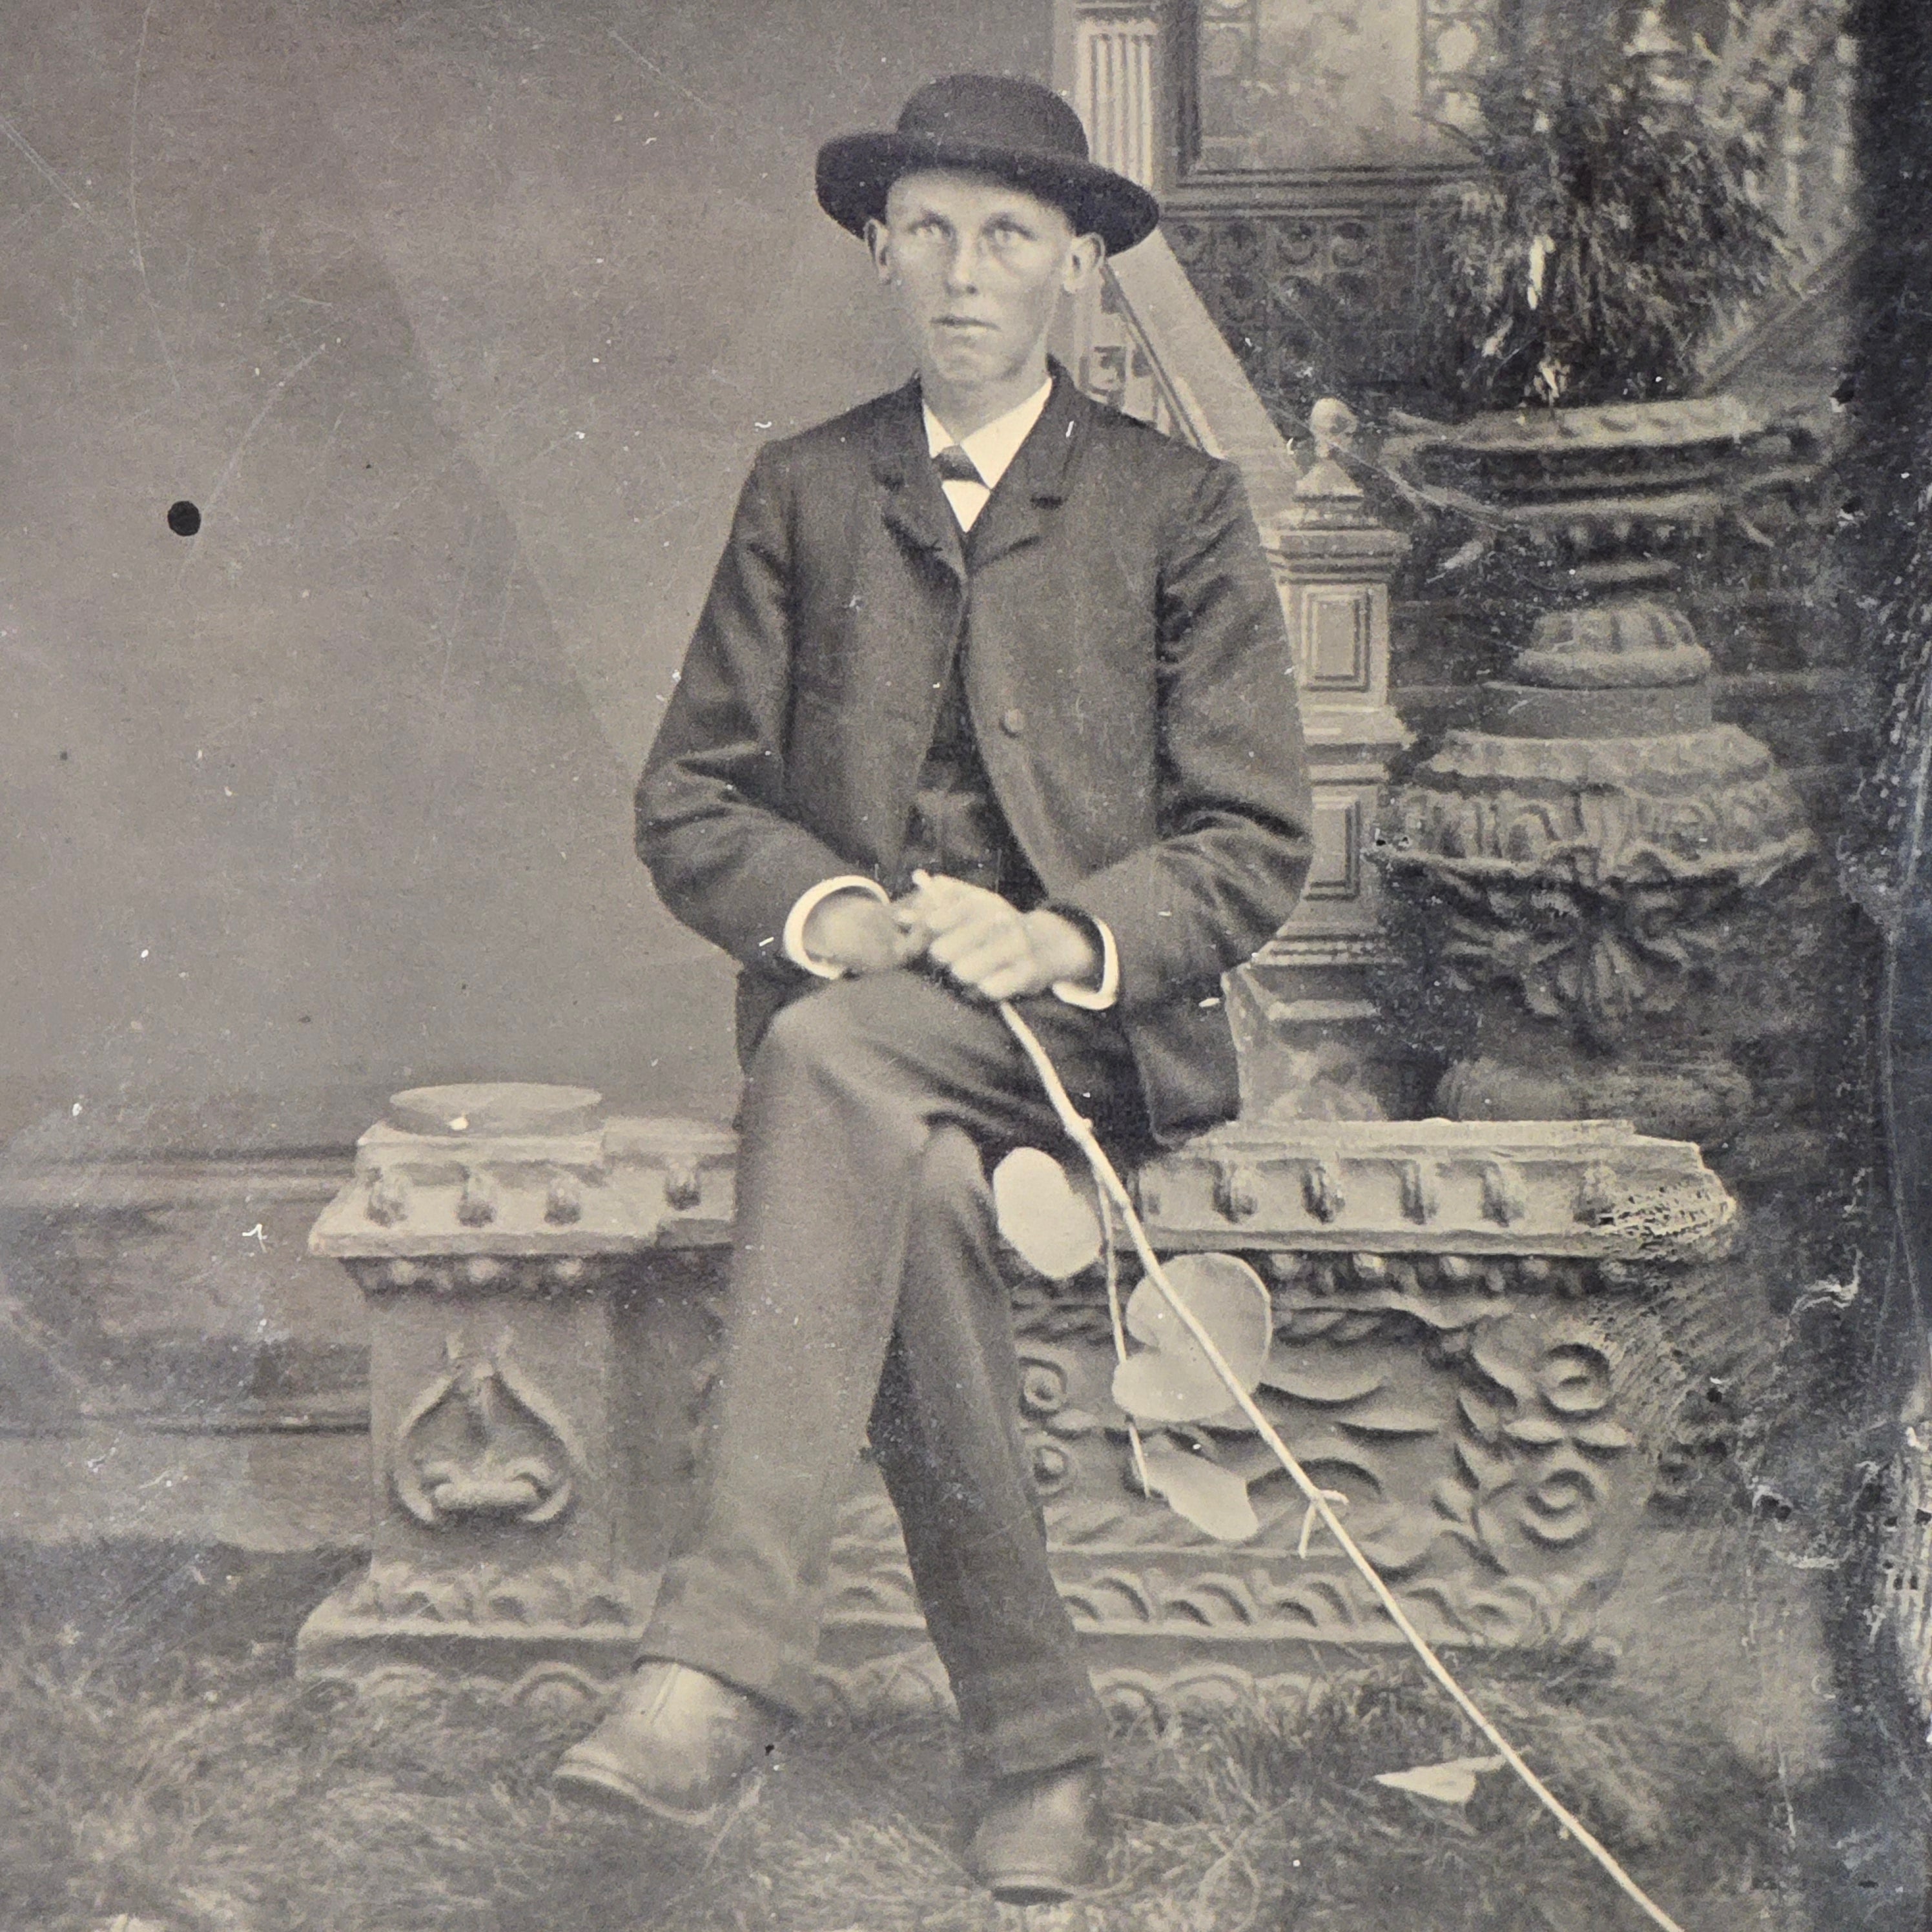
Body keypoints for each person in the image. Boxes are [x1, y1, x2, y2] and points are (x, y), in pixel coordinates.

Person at [553, 72, 1312, 1903]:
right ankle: (1039, 1748)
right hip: (873, 1031)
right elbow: (693, 801)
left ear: (1071, 270)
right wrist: (845, 917)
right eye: (936, 234)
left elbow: (1251, 838)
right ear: (885, 255)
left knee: (827, 1077)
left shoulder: (1175, 507)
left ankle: (721, 1663)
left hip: (1088, 1033)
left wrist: (1058, 937)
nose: (970, 272)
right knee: (905, 1171)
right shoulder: (808, 490)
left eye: (1011, 238)